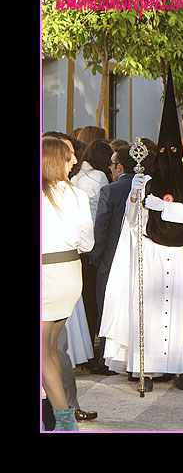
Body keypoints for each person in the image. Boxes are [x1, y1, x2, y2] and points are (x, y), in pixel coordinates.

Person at [99, 69, 183, 392]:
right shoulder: (147, 181)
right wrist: (137, 196)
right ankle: (148, 368)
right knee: (152, 312)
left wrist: (161, 206)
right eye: (165, 152)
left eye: (174, 151)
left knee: (179, 311)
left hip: (181, 255)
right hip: (152, 253)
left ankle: (181, 368)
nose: (169, 156)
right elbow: (133, 222)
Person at [42, 136, 94, 431]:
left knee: (44, 352)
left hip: (48, 274)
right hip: (70, 274)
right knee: (49, 349)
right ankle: (57, 417)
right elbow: (87, 243)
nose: (75, 161)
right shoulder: (77, 194)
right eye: (68, 156)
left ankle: (63, 420)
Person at [90, 145, 137, 374]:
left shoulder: (110, 190)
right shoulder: (147, 187)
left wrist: (96, 255)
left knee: (106, 307)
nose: (110, 169)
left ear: (119, 166)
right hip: (138, 257)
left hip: (110, 257)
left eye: (111, 164)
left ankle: (107, 357)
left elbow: (101, 227)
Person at [71, 140, 113, 367]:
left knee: (83, 299)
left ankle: (83, 349)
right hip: (92, 243)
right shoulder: (99, 177)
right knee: (93, 301)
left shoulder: (76, 177)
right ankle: (91, 352)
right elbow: (100, 214)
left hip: (76, 246)